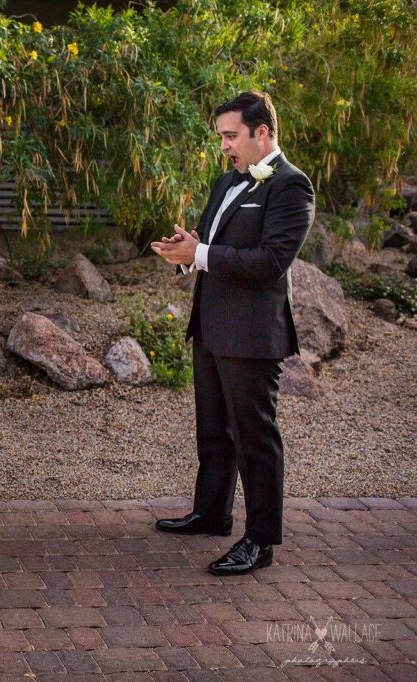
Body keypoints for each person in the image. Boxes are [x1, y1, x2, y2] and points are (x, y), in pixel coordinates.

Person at [150, 91, 315, 576]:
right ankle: (212, 514)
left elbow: (269, 263)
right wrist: (187, 251)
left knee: (256, 439)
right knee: (214, 431)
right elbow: (209, 246)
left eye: (231, 135)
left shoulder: (291, 186)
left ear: (262, 132)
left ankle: (260, 541)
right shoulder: (226, 181)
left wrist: (200, 257)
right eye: (221, 136)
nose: (224, 146)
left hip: (251, 334)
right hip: (212, 324)